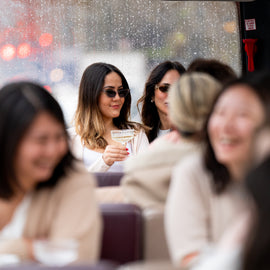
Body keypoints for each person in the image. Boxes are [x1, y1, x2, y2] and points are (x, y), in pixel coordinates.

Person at [165, 73, 270, 268]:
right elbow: (191, 260)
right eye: (220, 113)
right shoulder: (192, 173)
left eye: (242, 115)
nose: (226, 126)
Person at [0, 82, 101, 263]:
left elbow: (75, 258)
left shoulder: (73, 179)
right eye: (41, 140)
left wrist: (15, 248)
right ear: (8, 142)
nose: (53, 151)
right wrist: (35, 249)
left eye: (59, 137)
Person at [121, 72, 221, 209]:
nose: (170, 96)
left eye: (176, 91)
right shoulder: (228, 164)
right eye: (164, 88)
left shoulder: (137, 170)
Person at [70, 62, 149, 172]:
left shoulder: (136, 134)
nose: (117, 98)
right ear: (92, 94)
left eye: (121, 92)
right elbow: (71, 184)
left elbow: (148, 176)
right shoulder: (71, 138)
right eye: (110, 92)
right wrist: (104, 162)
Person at [137, 60, 186, 143]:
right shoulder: (140, 136)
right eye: (164, 88)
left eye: (178, 88)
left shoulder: (196, 134)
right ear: (152, 94)